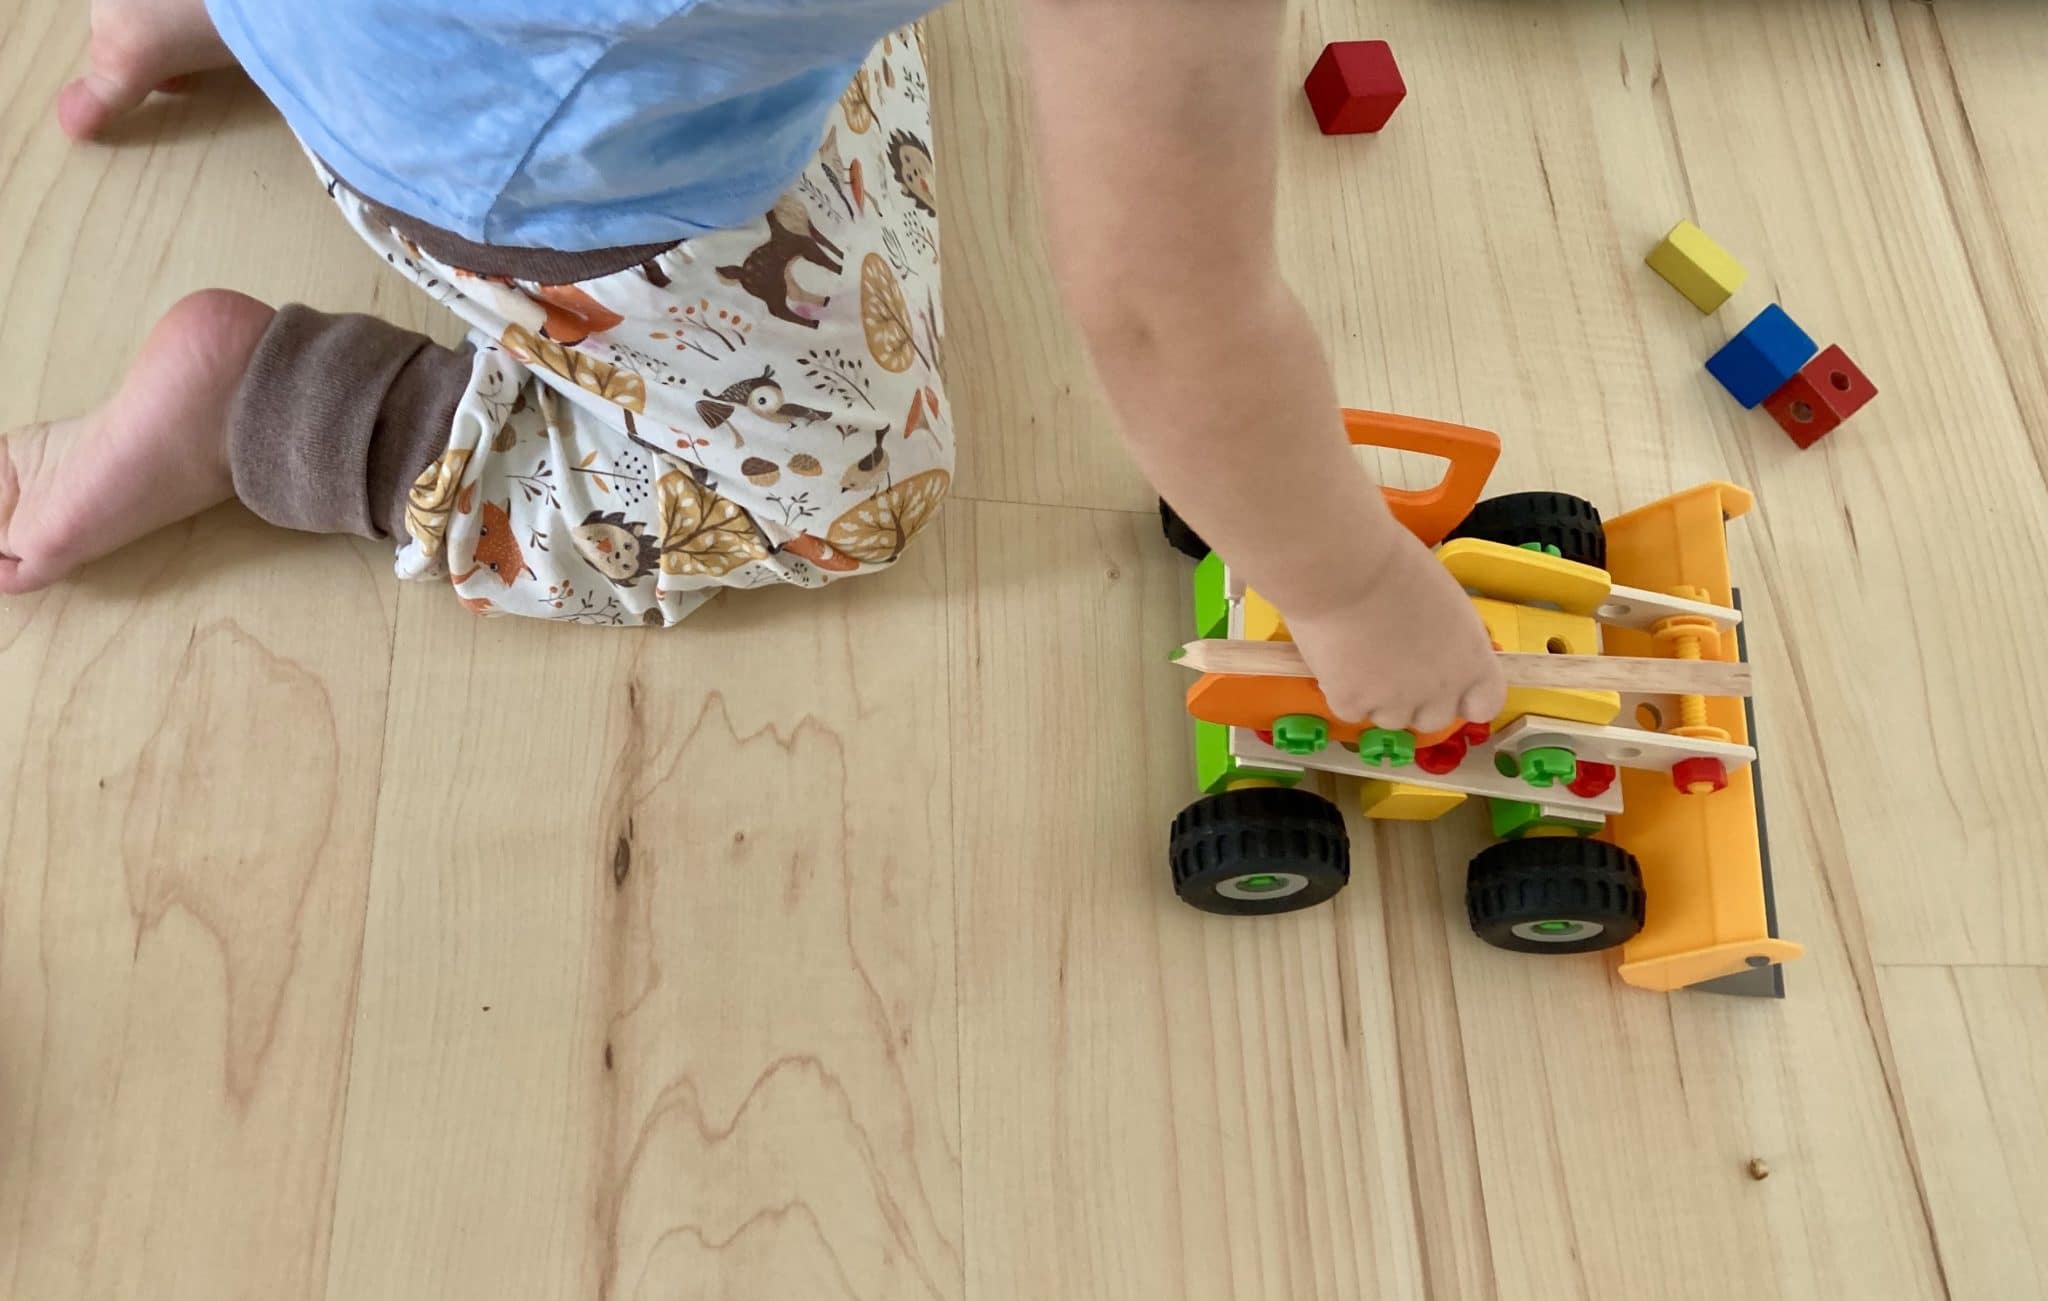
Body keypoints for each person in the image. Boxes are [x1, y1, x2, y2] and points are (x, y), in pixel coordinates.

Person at [0, 0, 1504, 732]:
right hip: (508, 174)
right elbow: (1167, 314)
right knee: (845, 495)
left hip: (330, 28)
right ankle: (265, 411)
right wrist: (1351, 587)